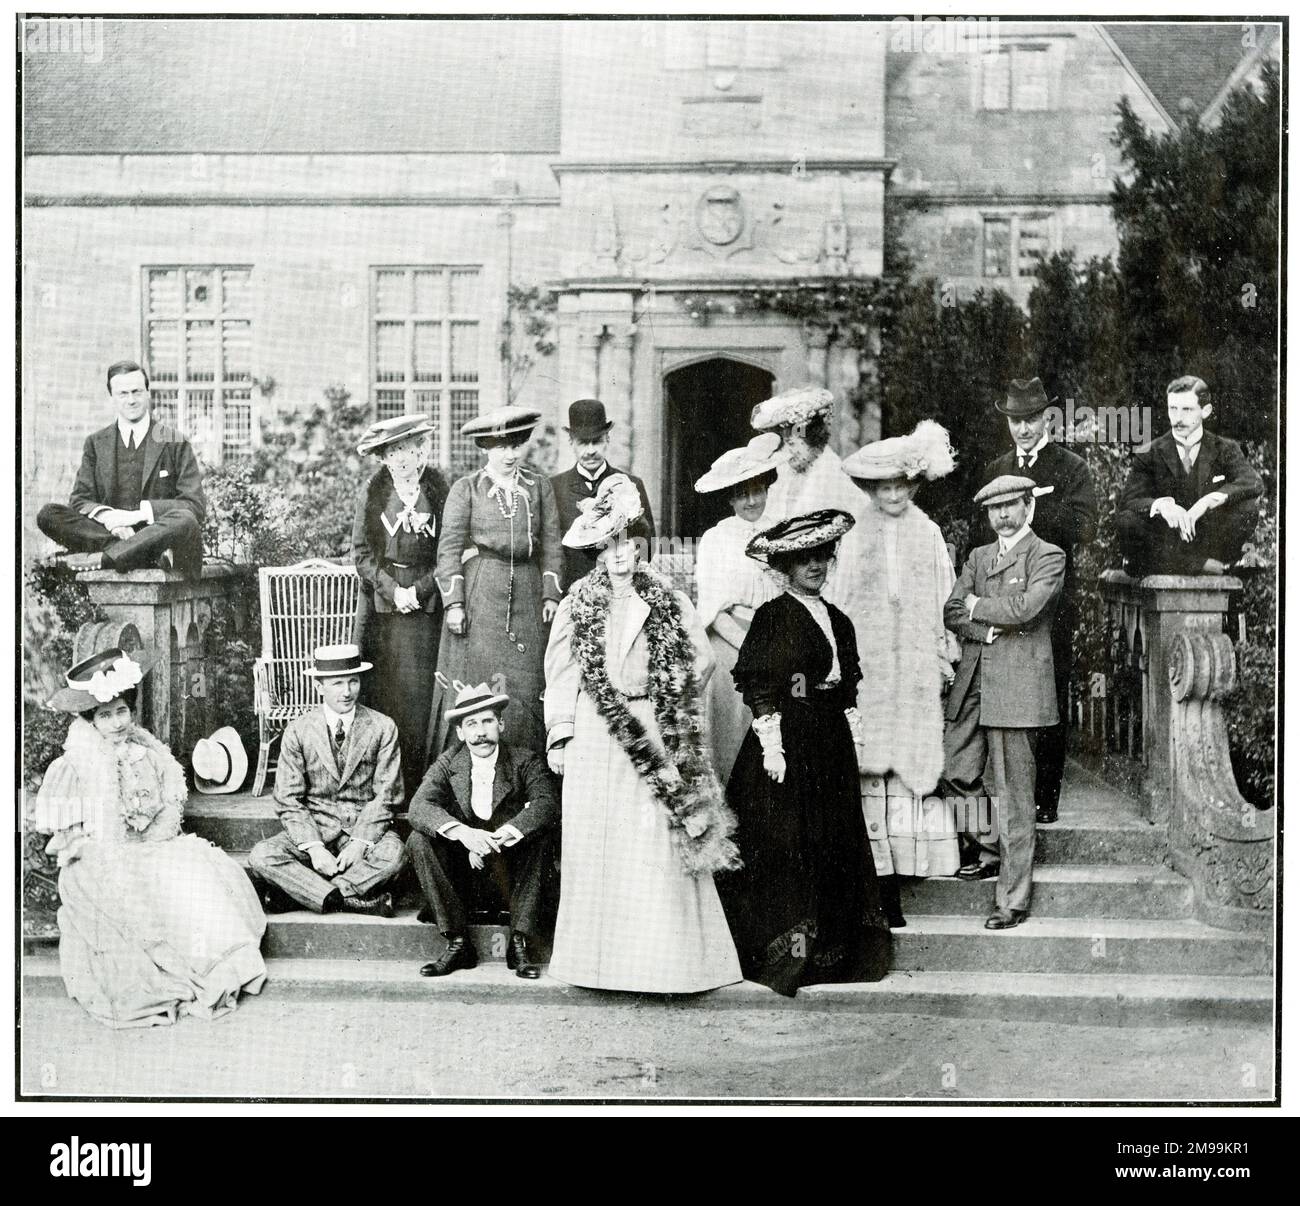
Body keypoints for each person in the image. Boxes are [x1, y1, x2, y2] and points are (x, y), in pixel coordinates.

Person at [543, 475, 742, 993]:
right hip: (595, 731)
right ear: (595, 552)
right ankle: (598, 965)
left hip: (651, 728)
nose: (618, 555)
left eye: (625, 542)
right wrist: (562, 734)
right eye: (607, 546)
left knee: (653, 840)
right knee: (598, 845)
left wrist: (666, 693)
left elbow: (702, 659)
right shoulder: (578, 604)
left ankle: (664, 964)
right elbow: (561, 672)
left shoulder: (666, 599)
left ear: (638, 543)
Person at [30, 647, 266, 1028]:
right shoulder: (75, 766)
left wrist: (160, 831)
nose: (116, 722)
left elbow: (170, 802)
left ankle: (213, 967)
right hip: (103, 856)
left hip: (155, 848)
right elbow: (69, 837)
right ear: (91, 722)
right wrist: (94, 849)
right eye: (105, 716)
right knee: (131, 900)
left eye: (122, 711)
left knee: (195, 885)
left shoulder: (150, 754)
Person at [718, 509, 893, 996]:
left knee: (832, 838)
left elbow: (847, 686)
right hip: (788, 746)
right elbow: (759, 681)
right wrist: (771, 744)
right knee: (788, 838)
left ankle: (833, 953)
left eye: (822, 556)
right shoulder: (773, 616)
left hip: (830, 743)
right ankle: (788, 951)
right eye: (803, 559)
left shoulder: (838, 617)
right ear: (785, 567)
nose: (815, 565)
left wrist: (852, 735)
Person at [841, 422, 962, 926]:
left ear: (912, 486)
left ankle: (918, 858)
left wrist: (940, 647)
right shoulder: (855, 532)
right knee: (871, 756)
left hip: (912, 653)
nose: (892, 495)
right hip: (871, 657)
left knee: (913, 749)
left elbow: (944, 594)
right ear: (871, 490)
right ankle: (876, 864)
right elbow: (842, 596)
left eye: (900, 486)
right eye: (883, 487)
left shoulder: (927, 531)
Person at [941, 476, 1066, 931]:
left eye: (1011, 506)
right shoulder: (977, 557)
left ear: (1029, 507)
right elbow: (951, 611)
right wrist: (983, 624)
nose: (1002, 516)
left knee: (1014, 794)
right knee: (954, 769)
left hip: (1018, 686)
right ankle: (992, 848)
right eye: (994, 509)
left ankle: (1012, 900)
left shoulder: (1048, 555)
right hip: (975, 678)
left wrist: (978, 605)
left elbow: (1027, 609)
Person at [981, 377, 1098, 824]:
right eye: (1015, 421)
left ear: (1046, 417)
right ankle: (1007, 794)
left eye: (1031, 419)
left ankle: (1045, 797)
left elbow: (1085, 527)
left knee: (1049, 691)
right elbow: (980, 535)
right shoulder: (995, 468)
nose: (1024, 429)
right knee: (1003, 685)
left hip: (1053, 602)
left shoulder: (1071, 467)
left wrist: (1030, 508)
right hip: (1000, 600)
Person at [428, 405, 563, 757]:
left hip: (529, 594)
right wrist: (454, 603)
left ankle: (531, 776)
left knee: (527, 682)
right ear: (486, 449)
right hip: (482, 592)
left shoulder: (539, 486)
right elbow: (449, 549)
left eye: (516, 445)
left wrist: (551, 594)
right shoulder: (467, 488)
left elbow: (551, 543)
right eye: (501, 447)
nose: (510, 454)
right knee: (482, 683)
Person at [406, 682, 559, 980]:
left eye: (488, 721)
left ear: (500, 724)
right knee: (418, 839)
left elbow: (547, 803)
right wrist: (464, 834)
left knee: (540, 835)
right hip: (462, 884)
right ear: (460, 732)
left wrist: (506, 833)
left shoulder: (523, 760)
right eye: (471, 724)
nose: (480, 731)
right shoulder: (449, 762)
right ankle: (458, 941)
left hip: (510, 880)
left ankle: (519, 942)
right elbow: (419, 806)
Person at [246, 645, 405, 916]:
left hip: (361, 828)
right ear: (320, 686)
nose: (347, 691)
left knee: (395, 854)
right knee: (262, 856)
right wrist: (315, 848)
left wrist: (360, 842)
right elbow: (288, 798)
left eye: (353, 681)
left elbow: (388, 794)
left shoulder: (382, 726)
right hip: (315, 829)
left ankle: (306, 895)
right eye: (337, 683)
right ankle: (349, 898)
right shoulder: (298, 730)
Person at [351, 413, 450, 796]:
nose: (405, 459)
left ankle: (422, 785)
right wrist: (395, 591)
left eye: (411, 449)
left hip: (426, 607)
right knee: (385, 692)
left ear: (422, 451)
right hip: (383, 609)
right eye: (396, 451)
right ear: (385, 457)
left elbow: (449, 550)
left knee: (420, 697)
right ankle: (385, 787)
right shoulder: (374, 493)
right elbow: (361, 554)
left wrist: (421, 591)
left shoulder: (439, 491)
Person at [37, 360, 206, 580]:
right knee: (48, 514)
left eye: (137, 392)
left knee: (185, 519)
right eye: (123, 394)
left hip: (160, 536)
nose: (131, 400)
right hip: (111, 533)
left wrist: (134, 515)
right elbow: (79, 501)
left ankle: (107, 558)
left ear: (147, 393)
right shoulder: (96, 443)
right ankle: (134, 553)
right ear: (112, 398)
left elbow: (195, 506)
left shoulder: (175, 441)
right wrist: (111, 520)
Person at [692, 433, 785, 778]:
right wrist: (751, 647)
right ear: (731, 498)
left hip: (777, 641)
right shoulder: (717, 538)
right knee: (733, 739)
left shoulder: (781, 533)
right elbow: (714, 610)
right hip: (733, 643)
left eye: (758, 490)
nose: (751, 501)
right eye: (743, 494)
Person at [1117, 375, 1263, 576]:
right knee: (1127, 521)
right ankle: (1200, 565)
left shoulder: (1225, 448)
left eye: (1186, 410)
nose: (1178, 418)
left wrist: (1207, 501)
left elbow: (1252, 482)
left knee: (1248, 509)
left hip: (1208, 538)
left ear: (1206, 411)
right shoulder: (1149, 452)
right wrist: (1162, 506)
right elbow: (1129, 501)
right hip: (1168, 543)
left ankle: (1214, 563)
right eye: (1172, 409)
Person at [750, 384, 871, 612]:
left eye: (794, 444)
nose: (789, 452)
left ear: (814, 439)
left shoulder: (833, 477)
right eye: (784, 444)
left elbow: (848, 554)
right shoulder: (787, 476)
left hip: (831, 583)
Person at [550, 398, 656, 591]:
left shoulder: (631, 484)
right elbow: (550, 548)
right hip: (574, 595)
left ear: (608, 439)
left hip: (620, 592)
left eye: (596, 442)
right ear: (571, 442)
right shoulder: (555, 487)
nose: (590, 451)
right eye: (583, 443)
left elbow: (648, 543)